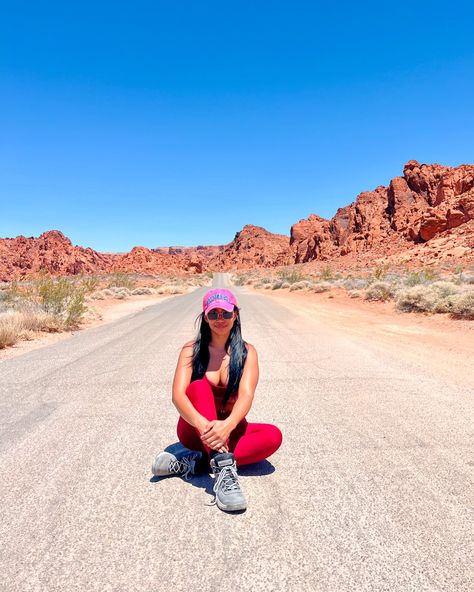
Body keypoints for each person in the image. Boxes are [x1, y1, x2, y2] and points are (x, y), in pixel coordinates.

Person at [151, 288, 282, 512]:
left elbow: (247, 394)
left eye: (225, 313)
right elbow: (178, 395)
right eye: (213, 314)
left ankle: (194, 462)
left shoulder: (248, 352)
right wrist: (206, 428)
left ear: (235, 315)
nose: (219, 319)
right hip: (194, 430)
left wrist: (227, 426)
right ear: (205, 317)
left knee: (273, 436)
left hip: (229, 429)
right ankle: (223, 470)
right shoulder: (191, 350)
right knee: (199, 386)